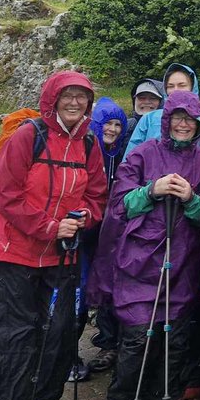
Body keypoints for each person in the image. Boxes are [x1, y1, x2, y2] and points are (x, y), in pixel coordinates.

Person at [0, 70, 108, 400]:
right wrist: (51, 227)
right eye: (67, 95)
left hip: (60, 257)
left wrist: (84, 218)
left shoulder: (89, 144)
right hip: (12, 254)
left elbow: (98, 196)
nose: (74, 102)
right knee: (13, 336)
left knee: (59, 336)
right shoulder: (27, 136)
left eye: (81, 97)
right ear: (51, 99)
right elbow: (6, 196)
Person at [97, 90, 200, 400]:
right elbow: (120, 204)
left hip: (182, 262)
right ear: (166, 120)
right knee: (135, 337)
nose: (183, 124)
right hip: (140, 261)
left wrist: (191, 199)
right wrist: (152, 190)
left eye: (190, 120)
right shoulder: (143, 153)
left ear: (198, 125)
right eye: (177, 117)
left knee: (172, 339)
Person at [83, 97, 130, 376]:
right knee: (84, 288)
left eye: (117, 124)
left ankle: (109, 343)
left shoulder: (121, 153)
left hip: (110, 231)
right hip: (87, 230)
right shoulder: (87, 148)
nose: (111, 129)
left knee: (110, 287)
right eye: (107, 123)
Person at [123, 64, 198, 159]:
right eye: (170, 86)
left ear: (192, 87)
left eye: (182, 85)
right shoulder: (149, 119)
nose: (175, 90)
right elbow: (129, 159)